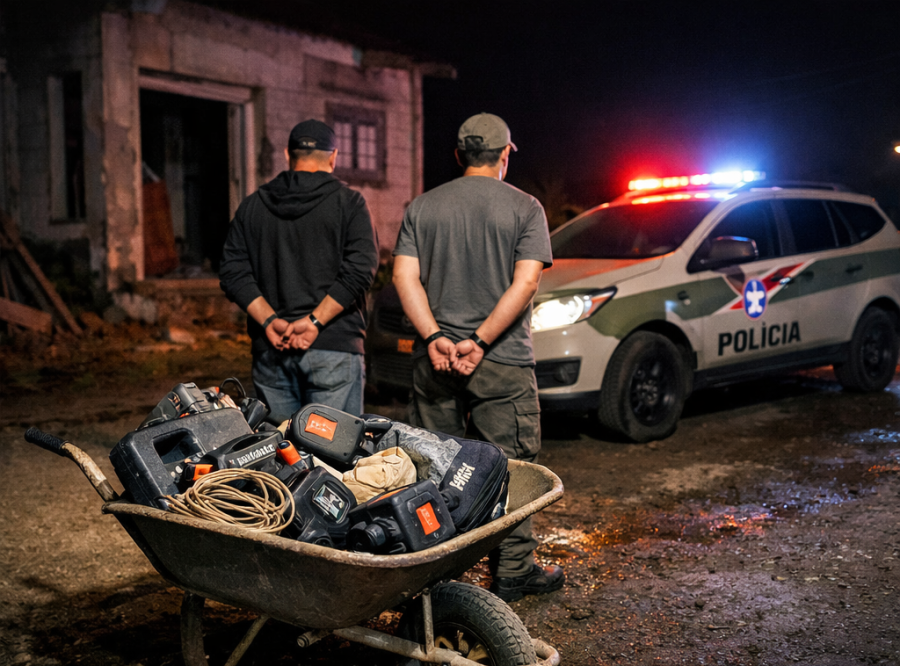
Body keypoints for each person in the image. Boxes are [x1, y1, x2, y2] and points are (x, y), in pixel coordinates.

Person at [392, 112, 564, 602]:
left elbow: (405, 277)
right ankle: (513, 571)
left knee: (434, 467)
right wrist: (481, 341)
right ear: (505, 155)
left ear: (458, 156)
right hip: (502, 361)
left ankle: (438, 578)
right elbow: (526, 282)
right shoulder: (526, 207)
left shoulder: (422, 207)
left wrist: (433, 338)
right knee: (512, 465)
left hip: (436, 360)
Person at [219, 119, 378, 421]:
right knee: (333, 455)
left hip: (272, 350)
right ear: (334, 156)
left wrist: (269, 320)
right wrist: (314, 322)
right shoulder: (350, 203)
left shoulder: (253, 205)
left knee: (282, 457)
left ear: (286, 155)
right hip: (334, 346)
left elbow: (232, 271)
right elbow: (360, 270)